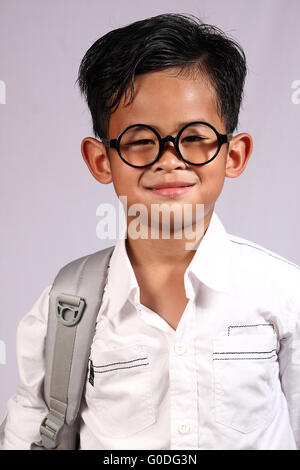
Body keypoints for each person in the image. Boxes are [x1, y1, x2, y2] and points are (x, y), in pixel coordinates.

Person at [1, 12, 300, 450]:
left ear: (233, 154)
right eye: (141, 140)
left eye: (195, 136)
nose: (169, 160)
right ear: (101, 160)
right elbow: (30, 428)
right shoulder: (67, 307)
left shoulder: (283, 292)